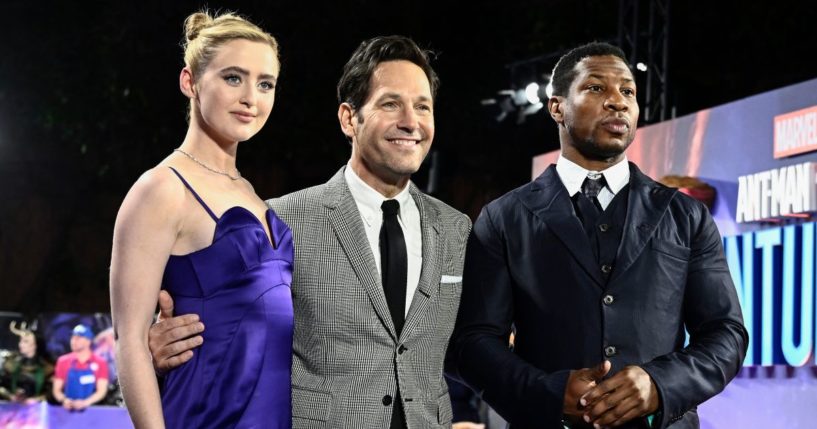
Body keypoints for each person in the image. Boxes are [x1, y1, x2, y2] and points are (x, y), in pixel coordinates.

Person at [148, 35, 472, 428]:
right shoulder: (281, 220)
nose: (411, 121)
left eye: (423, 106)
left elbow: (456, 348)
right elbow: (237, 331)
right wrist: (163, 352)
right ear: (348, 119)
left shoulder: (456, 229)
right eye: (391, 104)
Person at [451, 42, 748, 429]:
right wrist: (551, 392)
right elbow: (475, 343)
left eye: (628, 91)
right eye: (596, 88)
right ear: (557, 107)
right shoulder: (503, 218)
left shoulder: (685, 215)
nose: (617, 102)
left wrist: (660, 384)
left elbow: (725, 335)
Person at [109, 10, 292, 429]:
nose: (252, 97)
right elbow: (130, 342)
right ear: (190, 82)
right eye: (233, 78)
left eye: (265, 84)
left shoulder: (253, 194)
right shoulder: (160, 190)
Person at [52, 324, 109, 410]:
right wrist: (64, 400)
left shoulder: (100, 363)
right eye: (72, 337)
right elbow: (56, 390)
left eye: (78, 338)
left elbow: (101, 391)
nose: (73, 341)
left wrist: (86, 403)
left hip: (92, 411)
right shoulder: (63, 361)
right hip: (67, 411)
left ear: (88, 341)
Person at [0, 322, 53, 402]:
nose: (21, 344)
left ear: (36, 345)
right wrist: (10, 396)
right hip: (11, 408)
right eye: (20, 341)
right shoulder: (10, 363)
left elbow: (51, 392)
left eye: (26, 341)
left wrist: (36, 400)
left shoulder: (47, 367)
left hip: (37, 409)